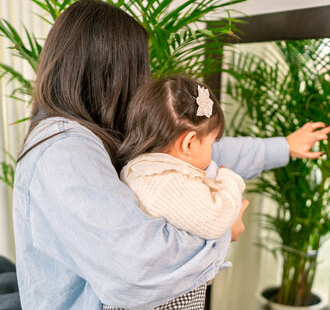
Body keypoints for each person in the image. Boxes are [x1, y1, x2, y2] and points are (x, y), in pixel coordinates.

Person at [12, 0, 330, 309]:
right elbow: (137, 267)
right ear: (113, 73)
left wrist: (283, 146)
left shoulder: (94, 133)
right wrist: (223, 231)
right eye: (141, 68)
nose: (143, 81)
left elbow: (194, 154)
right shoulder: (65, 152)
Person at [102, 76, 248, 310]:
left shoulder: (147, 170)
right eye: (211, 143)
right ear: (189, 143)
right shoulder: (163, 181)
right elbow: (216, 219)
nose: (212, 152)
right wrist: (231, 181)